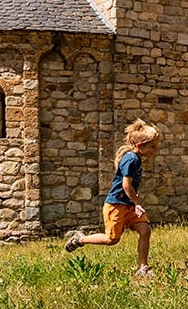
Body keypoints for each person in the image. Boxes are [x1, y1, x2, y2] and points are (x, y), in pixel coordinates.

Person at [65, 118, 162, 277]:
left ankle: (142, 267)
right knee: (112, 239)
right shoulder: (131, 159)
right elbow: (125, 185)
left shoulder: (137, 158)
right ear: (140, 145)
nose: (155, 150)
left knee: (145, 230)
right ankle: (80, 239)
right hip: (116, 205)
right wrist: (137, 202)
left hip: (129, 205)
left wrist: (134, 201)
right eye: (152, 146)